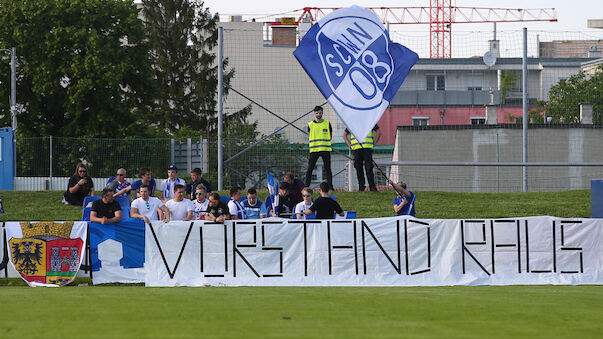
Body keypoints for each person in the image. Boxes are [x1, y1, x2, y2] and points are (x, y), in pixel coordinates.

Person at [343, 125, 381, 192]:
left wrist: (374, 142)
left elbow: (378, 131)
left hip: (366, 148)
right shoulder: (352, 122)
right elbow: (344, 135)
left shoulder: (369, 120)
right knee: (359, 169)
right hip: (357, 149)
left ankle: (371, 187)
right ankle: (362, 186)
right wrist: (350, 145)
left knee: (368, 168)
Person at [305, 106, 333, 191]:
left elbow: (330, 135)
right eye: (317, 113)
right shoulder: (310, 124)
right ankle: (306, 186)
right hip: (314, 150)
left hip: (325, 150)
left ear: (322, 113)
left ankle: (330, 187)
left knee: (328, 169)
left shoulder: (327, 123)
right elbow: (309, 135)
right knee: (310, 168)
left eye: (320, 113)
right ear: (314, 113)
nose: (318, 114)